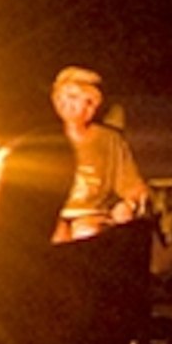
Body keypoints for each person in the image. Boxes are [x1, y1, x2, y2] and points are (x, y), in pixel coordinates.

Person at [51, 66, 149, 238]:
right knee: (54, 237)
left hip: (92, 215)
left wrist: (129, 204)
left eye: (86, 101)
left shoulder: (109, 141)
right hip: (50, 215)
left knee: (87, 234)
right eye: (66, 97)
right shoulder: (45, 138)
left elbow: (132, 186)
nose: (71, 105)